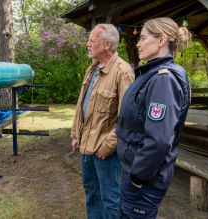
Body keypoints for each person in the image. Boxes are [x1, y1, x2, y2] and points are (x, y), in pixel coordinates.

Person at [116, 17, 191, 218]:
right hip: (134, 171)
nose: (138, 43)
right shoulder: (152, 74)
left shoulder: (163, 79)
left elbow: (159, 140)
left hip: (142, 181)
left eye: (142, 38)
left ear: (161, 40)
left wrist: (137, 177)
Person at [71, 24, 135, 219]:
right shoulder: (91, 70)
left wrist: (108, 145)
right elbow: (81, 106)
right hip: (86, 146)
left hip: (106, 152)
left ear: (107, 44)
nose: (88, 43)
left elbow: (128, 119)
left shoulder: (123, 72)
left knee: (110, 199)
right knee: (92, 194)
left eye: (92, 40)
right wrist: (76, 134)